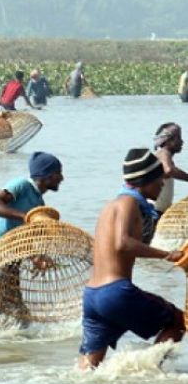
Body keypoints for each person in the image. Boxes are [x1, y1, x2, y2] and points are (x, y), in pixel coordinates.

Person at [78, 149, 185, 370]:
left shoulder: (112, 205)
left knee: (88, 369)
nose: (163, 185)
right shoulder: (128, 203)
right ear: (144, 180)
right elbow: (123, 243)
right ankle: (145, 373)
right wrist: (167, 254)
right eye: (159, 180)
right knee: (178, 321)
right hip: (115, 292)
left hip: (92, 296)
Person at [0, 151, 64, 258]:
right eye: (58, 173)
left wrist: (37, 258)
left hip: (13, 261)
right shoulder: (21, 185)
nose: (62, 178)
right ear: (46, 175)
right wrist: (25, 216)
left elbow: (27, 239)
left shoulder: (39, 203)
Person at [153, 123, 188, 217]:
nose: (182, 142)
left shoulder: (162, 155)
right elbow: (169, 170)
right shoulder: (164, 153)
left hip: (158, 211)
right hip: (154, 212)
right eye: (179, 138)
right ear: (168, 140)